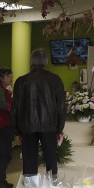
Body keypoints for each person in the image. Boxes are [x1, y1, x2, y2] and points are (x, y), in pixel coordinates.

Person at [11, 48, 66, 178]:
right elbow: (61, 107)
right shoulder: (55, 80)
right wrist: (59, 129)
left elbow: (15, 108)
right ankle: (51, 187)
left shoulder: (21, 81)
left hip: (27, 125)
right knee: (51, 158)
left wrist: (17, 130)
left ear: (31, 63)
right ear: (46, 63)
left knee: (29, 160)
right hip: (49, 126)